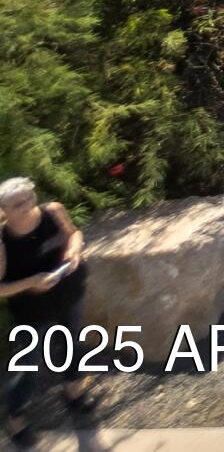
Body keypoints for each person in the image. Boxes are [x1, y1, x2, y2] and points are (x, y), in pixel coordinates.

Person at [0, 178, 89, 447]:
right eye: (17, 204)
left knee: (72, 343)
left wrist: (74, 250)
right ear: (4, 210)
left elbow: (74, 233)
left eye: (28, 198)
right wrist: (31, 282)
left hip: (69, 291)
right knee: (29, 362)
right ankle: (15, 417)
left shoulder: (53, 211)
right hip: (32, 308)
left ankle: (72, 392)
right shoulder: (2, 241)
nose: (26, 206)